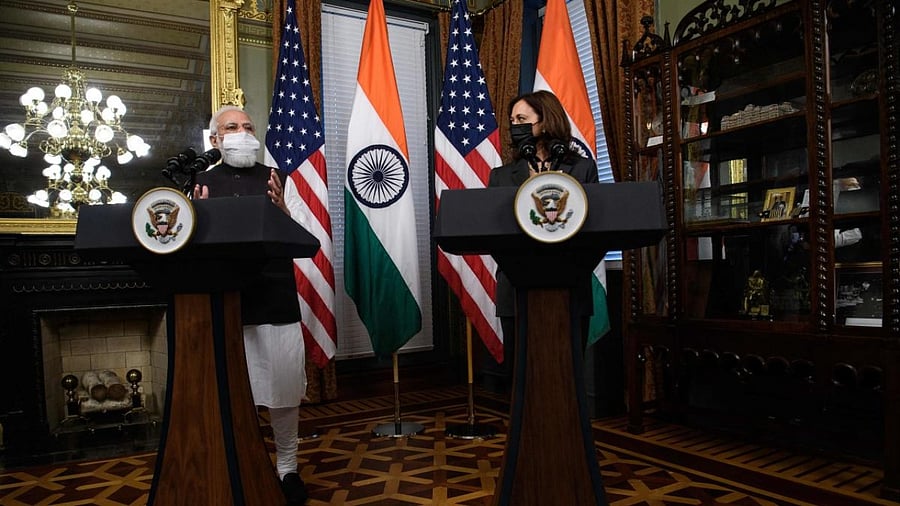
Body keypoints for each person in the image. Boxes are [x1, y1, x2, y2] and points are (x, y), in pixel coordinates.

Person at [193, 105, 309, 505]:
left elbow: (304, 242)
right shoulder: (200, 182)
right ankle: (237, 460)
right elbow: (194, 249)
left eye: (247, 126)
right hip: (227, 301)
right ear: (215, 139)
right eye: (231, 127)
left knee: (283, 387)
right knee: (230, 389)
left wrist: (281, 213)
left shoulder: (277, 178)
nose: (242, 132)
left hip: (275, 296)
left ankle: (287, 468)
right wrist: (198, 215)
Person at [486, 90, 599, 389]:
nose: (515, 126)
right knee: (524, 378)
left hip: (570, 287)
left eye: (522, 119)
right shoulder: (500, 177)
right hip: (518, 288)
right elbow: (494, 232)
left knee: (567, 376)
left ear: (546, 121)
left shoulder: (582, 169)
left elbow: (595, 229)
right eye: (512, 121)